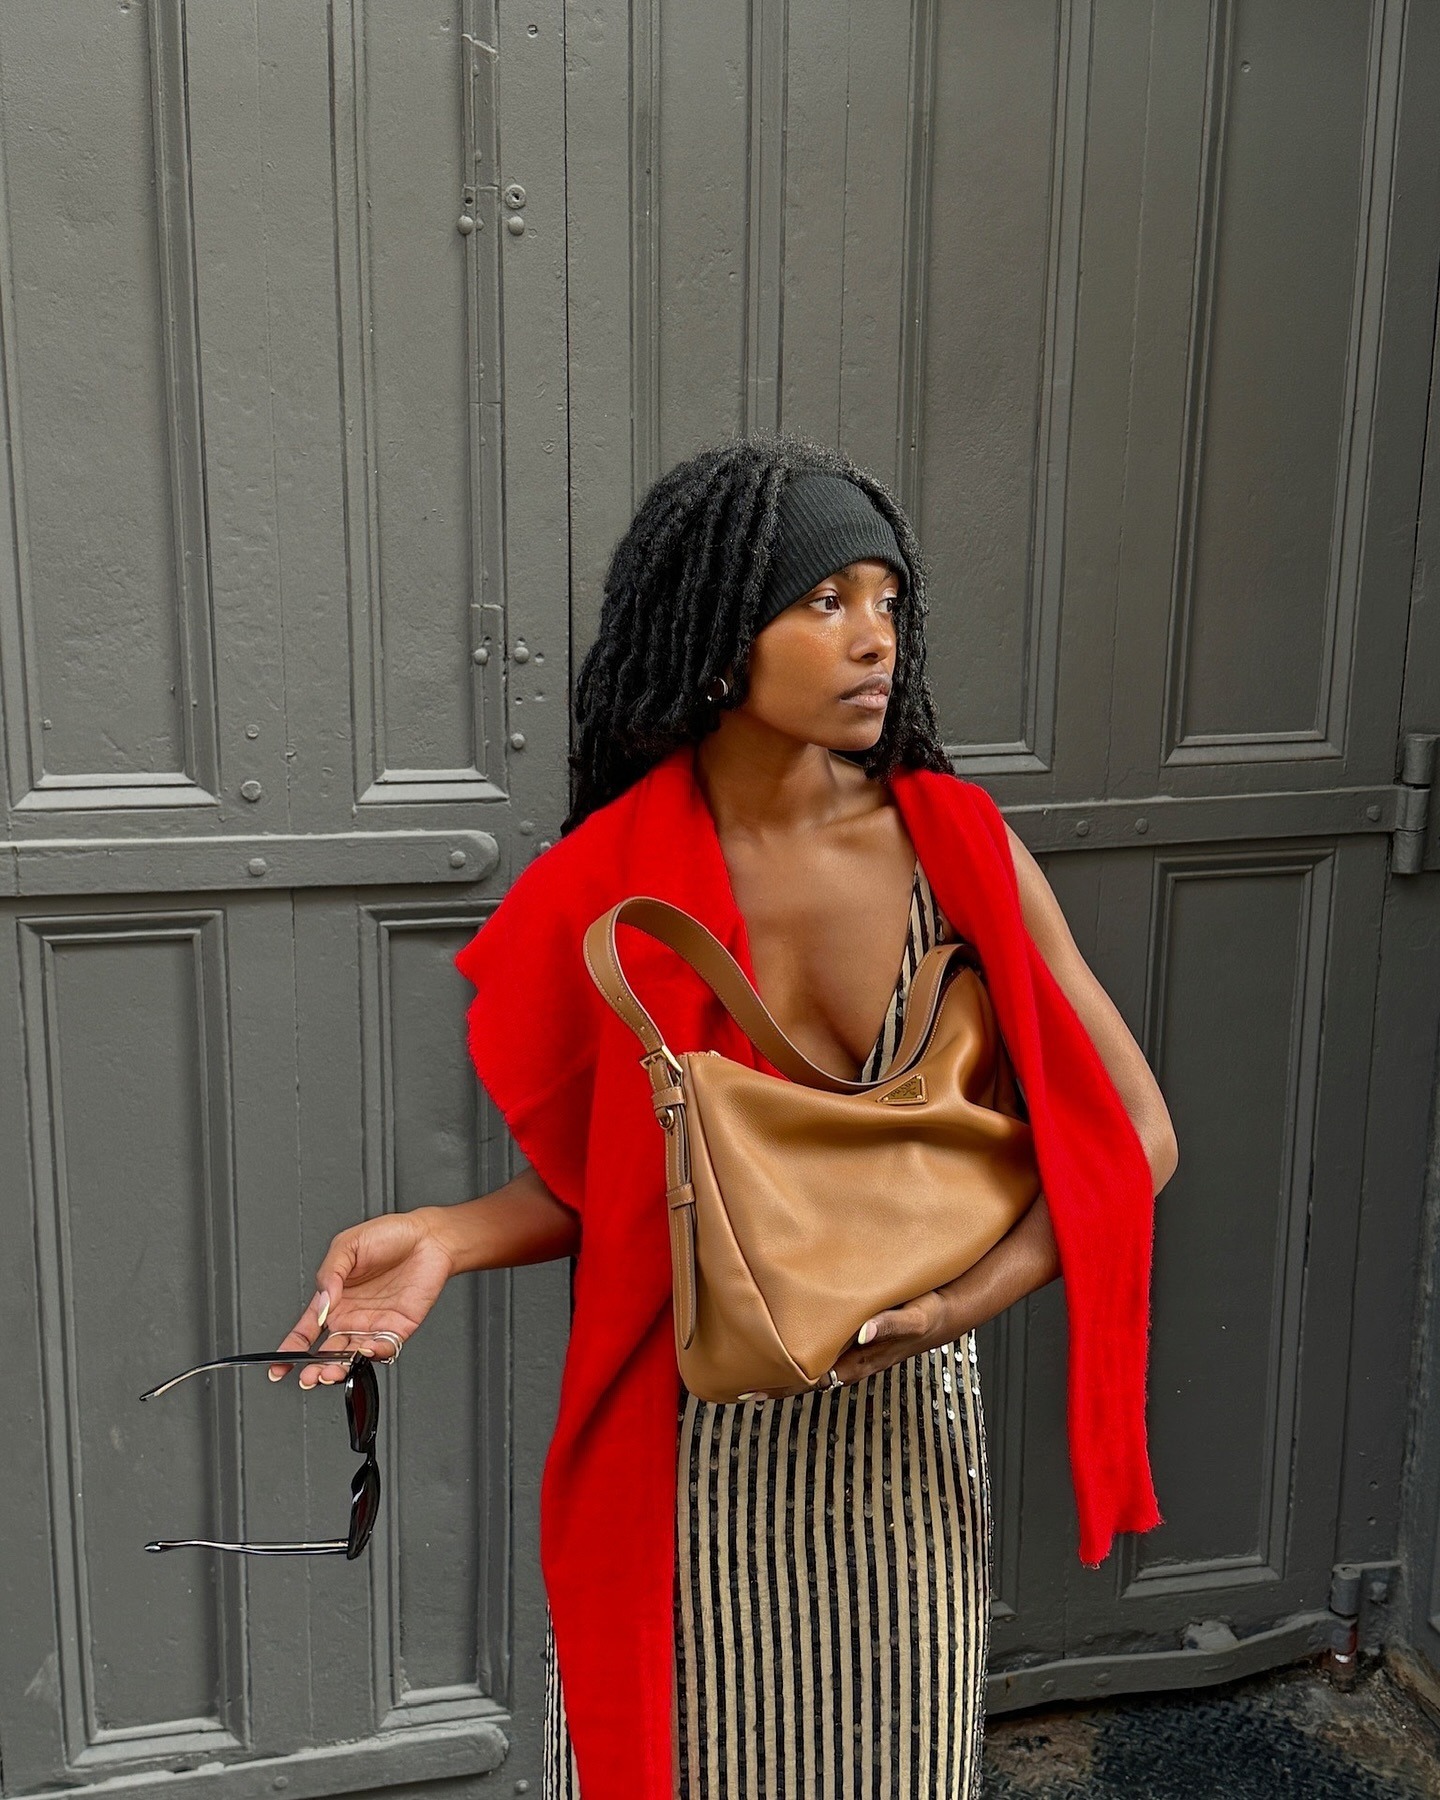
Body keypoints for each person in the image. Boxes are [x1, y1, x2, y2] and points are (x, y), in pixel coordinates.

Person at [269, 434, 1178, 1800]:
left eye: (889, 602)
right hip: (689, 1436)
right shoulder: (604, 885)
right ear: (711, 634)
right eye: (824, 602)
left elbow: (1135, 1142)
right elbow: (624, 1196)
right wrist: (445, 1238)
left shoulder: (957, 845)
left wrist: (960, 1307)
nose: (874, 639)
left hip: (897, 1442)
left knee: (894, 1768)